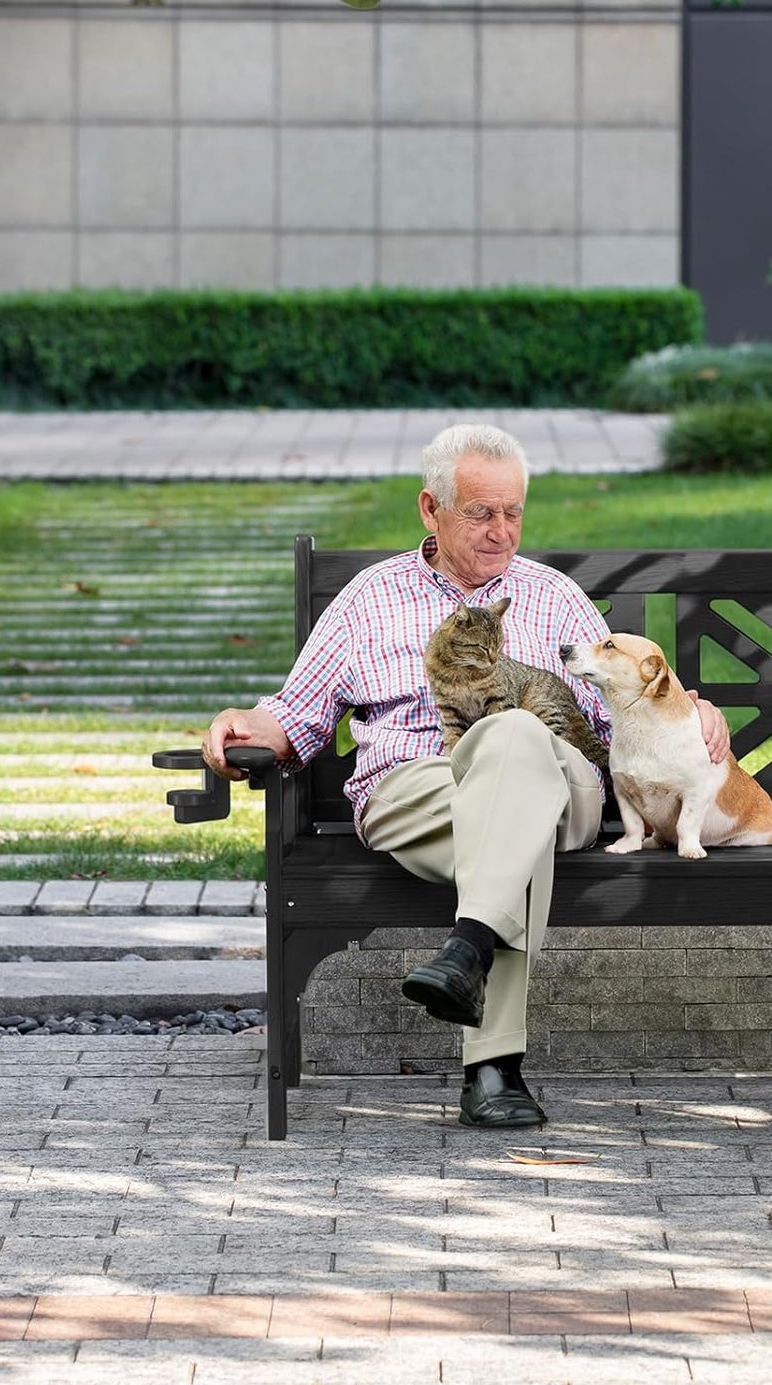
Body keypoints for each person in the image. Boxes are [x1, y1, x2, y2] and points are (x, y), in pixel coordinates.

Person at [202, 423, 729, 1128]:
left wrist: (688, 709)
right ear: (431, 508)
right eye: (481, 512)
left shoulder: (553, 596)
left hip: (560, 783)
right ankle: (492, 1071)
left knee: (511, 733)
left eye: (513, 512)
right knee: (513, 830)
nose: (501, 531)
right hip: (417, 793)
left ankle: (467, 947)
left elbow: (618, 721)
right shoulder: (370, 598)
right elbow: (297, 716)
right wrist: (243, 720)